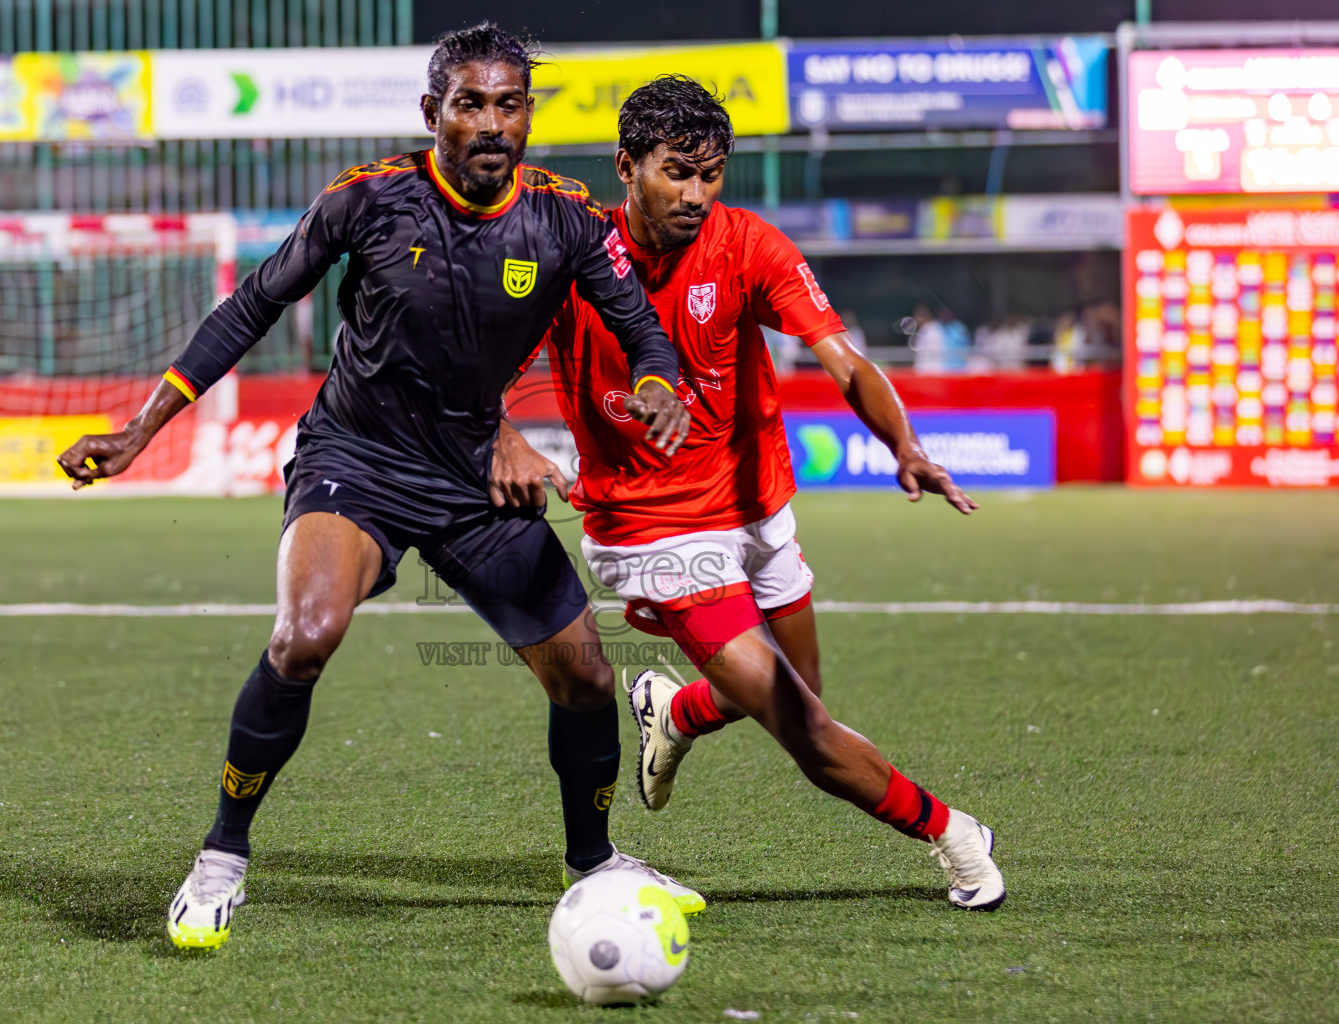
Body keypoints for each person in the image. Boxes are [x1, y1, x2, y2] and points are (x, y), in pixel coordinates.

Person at [57, 24, 702, 951]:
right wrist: (137, 432)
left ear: (529, 114)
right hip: (354, 461)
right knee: (304, 635)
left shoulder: (564, 217)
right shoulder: (368, 201)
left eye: (509, 104)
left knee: (587, 681)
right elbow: (252, 305)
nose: (492, 122)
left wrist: (653, 386)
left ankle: (593, 862)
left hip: (474, 477)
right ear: (432, 113)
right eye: (470, 103)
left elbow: (642, 329)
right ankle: (222, 855)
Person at [505, 76, 1005, 910]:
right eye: (677, 173)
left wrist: (905, 444)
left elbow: (843, 358)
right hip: (651, 531)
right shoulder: (572, 254)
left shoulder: (748, 245)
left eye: (711, 175)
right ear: (626, 166)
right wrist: (505, 435)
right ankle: (953, 834)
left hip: (758, 507)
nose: (697, 195)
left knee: (802, 688)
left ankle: (680, 711)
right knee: (798, 723)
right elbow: (478, 358)